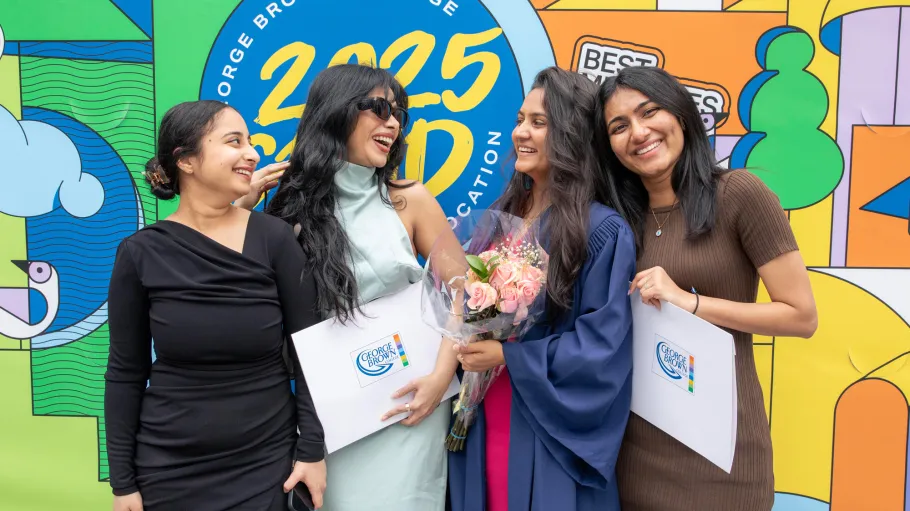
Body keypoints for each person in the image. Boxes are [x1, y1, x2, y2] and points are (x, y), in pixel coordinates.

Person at [594, 66, 818, 510]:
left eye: (649, 112)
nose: (638, 133)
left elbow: (801, 315)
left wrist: (689, 302)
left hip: (722, 458)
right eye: (619, 127)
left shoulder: (739, 194)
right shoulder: (614, 221)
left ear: (680, 115)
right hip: (633, 456)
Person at [235, 64, 458, 511]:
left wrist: (442, 377)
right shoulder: (287, 208)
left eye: (399, 114)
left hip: (409, 409)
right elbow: (238, 303)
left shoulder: (409, 199)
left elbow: (466, 295)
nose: (392, 122)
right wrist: (241, 206)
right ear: (336, 112)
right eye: (378, 108)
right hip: (330, 420)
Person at [104, 100, 327, 511]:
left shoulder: (274, 240)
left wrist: (312, 451)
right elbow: (124, 373)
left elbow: (312, 352)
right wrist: (123, 484)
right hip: (168, 470)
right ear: (186, 160)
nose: (252, 153)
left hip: (266, 464)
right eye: (234, 141)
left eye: (250, 142)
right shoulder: (140, 253)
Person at [447, 66, 636, 511]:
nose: (520, 133)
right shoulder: (501, 218)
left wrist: (508, 355)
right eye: (519, 120)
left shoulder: (601, 230)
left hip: (543, 422)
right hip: (480, 407)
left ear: (570, 133)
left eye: (538, 122)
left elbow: (602, 347)